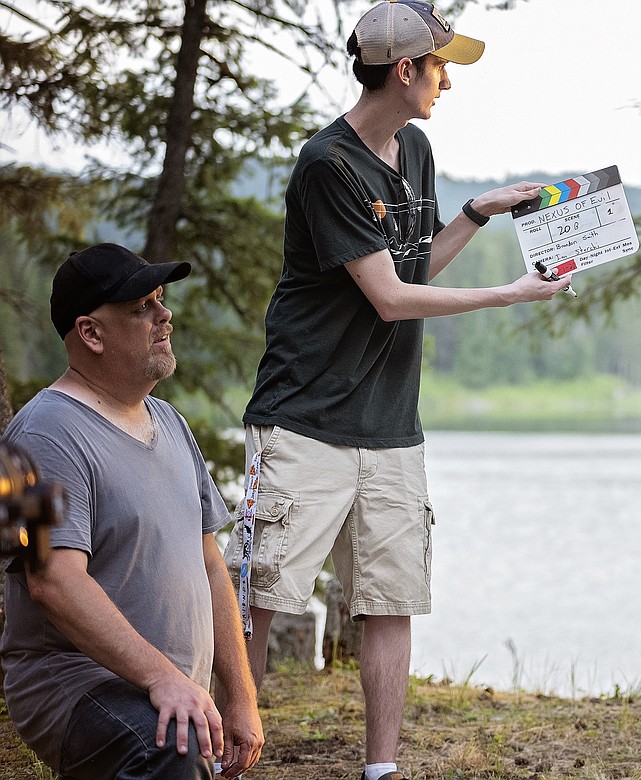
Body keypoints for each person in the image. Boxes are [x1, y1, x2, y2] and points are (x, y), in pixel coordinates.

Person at [221, 4, 565, 780]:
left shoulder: (416, 149)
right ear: (405, 70)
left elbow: (414, 266)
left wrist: (476, 213)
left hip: (390, 427)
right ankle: (226, 756)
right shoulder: (328, 167)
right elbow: (388, 296)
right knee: (262, 596)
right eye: (441, 66)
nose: (449, 82)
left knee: (388, 599)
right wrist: (506, 296)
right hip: (303, 420)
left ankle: (382, 771)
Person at [0, 243, 264, 779]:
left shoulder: (169, 421)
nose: (164, 315)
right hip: (77, 684)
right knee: (169, 753)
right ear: (91, 334)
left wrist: (240, 694)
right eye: (141, 306)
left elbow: (210, 564)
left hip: (164, 688)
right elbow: (52, 580)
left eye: (161, 300)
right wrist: (162, 678)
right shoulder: (36, 436)